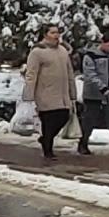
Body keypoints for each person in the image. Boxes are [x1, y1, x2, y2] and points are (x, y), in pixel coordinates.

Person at [22, 26, 77, 161]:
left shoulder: (63, 51)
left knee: (63, 116)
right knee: (49, 121)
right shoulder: (37, 52)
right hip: (45, 92)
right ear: (45, 35)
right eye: (52, 32)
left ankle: (45, 139)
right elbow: (31, 74)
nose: (56, 35)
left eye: (57, 32)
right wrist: (29, 95)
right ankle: (48, 150)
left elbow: (70, 72)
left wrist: (72, 92)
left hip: (62, 93)